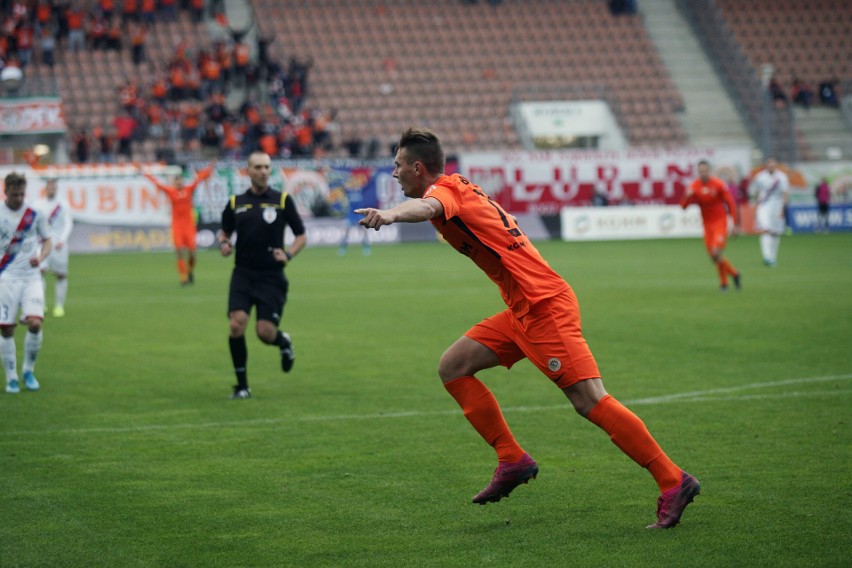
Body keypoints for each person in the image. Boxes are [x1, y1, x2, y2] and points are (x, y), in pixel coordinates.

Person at [356, 128, 700, 529]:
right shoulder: (460, 187)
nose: (394, 173)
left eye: (398, 165)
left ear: (418, 167)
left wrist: (392, 214)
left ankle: (673, 480)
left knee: (590, 400)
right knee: (453, 367)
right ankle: (512, 459)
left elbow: (430, 207)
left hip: (544, 308)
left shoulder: (445, 193)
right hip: (521, 309)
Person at [218, 151, 307, 400]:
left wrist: (288, 255)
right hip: (243, 274)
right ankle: (242, 386)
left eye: (267, 167)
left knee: (264, 332)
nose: (263, 171)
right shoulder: (236, 202)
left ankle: (284, 342)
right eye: (258, 167)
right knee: (236, 324)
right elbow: (224, 233)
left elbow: (302, 235)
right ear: (248, 171)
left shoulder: (282, 200)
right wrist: (224, 244)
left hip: (271, 277)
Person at [0, 172, 53, 394]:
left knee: (35, 323)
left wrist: (40, 258)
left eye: (22, 194)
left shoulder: (35, 213)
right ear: (6, 192)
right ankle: (11, 377)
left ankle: (28, 371)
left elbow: (48, 240)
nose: (19, 198)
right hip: (6, 277)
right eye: (15, 194)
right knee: (6, 329)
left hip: (31, 277)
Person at [137, 162, 215, 285]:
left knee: (192, 253)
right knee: (179, 252)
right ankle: (183, 278)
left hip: (189, 225)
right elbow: (156, 182)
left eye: (181, 181)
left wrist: (210, 167)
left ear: (183, 182)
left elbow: (200, 178)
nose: (179, 183)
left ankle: (190, 271)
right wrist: (144, 172)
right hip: (177, 225)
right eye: (177, 181)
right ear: (174, 183)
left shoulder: (189, 189)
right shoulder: (170, 191)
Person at [681, 161, 741, 292]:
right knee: (714, 257)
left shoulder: (718, 184)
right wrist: (687, 196)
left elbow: (730, 203)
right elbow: (684, 207)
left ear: (710, 171)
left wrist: (735, 223)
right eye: (700, 171)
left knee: (716, 252)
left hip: (720, 221)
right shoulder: (694, 186)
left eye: (705, 171)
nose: (703, 173)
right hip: (707, 224)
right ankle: (735, 273)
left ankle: (724, 284)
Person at [33, 178, 74, 316]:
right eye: (49, 186)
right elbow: (34, 224)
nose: (51, 189)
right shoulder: (37, 204)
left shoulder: (63, 204)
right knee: (39, 273)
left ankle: (59, 306)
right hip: (42, 244)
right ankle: (42, 304)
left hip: (58, 245)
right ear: (45, 188)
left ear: (56, 188)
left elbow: (68, 223)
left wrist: (62, 240)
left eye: (53, 187)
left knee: (61, 275)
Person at [749, 157, 789, 267]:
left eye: (773, 165)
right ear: (766, 165)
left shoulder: (782, 177)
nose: (771, 167)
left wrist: (782, 209)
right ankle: (766, 257)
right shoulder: (760, 177)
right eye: (769, 165)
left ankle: (773, 257)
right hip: (764, 205)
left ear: (776, 165)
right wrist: (756, 204)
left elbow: (785, 193)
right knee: (765, 229)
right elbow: (754, 190)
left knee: (775, 232)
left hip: (777, 205)